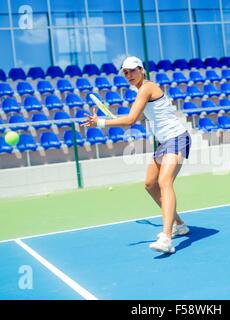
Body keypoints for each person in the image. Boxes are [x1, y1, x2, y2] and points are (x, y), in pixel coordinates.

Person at [82, 56, 192, 254]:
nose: (129, 75)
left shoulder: (147, 88)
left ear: (142, 70)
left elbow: (131, 119)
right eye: (125, 72)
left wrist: (101, 122)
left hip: (177, 137)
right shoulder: (141, 91)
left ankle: (166, 237)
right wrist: (118, 121)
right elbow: (138, 117)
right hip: (164, 142)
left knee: (164, 182)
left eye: (132, 70)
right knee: (150, 185)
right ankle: (180, 225)